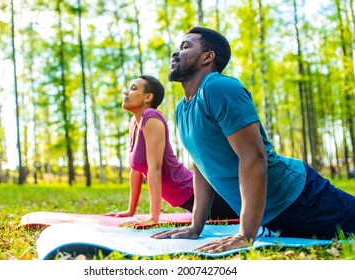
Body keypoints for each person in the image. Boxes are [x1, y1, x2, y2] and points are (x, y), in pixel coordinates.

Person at [151, 27, 355, 253]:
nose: (175, 53)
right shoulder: (182, 109)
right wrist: (196, 226)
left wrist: (245, 235)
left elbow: (254, 157)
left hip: (303, 198)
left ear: (207, 57)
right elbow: (202, 166)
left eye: (186, 46)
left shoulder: (218, 87)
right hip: (277, 218)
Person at [106, 75, 238, 226]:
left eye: (133, 88)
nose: (125, 92)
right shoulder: (134, 123)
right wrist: (131, 210)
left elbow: (155, 168)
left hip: (199, 193)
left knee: (248, 214)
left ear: (148, 97)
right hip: (190, 197)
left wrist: (153, 217)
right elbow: (136, 169)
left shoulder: (151, 117)